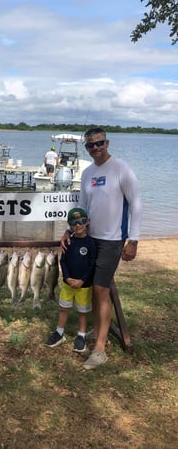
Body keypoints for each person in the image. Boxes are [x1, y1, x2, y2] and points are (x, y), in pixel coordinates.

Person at [61, 127, 142, 370]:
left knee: (100, 288)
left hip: (113, 239)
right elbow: (81, 208)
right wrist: (70, 230)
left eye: (99, 143)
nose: (95, 148)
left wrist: (134, 240)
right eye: (90, 145)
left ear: (107, 143)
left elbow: (136, 204)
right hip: (89, 238)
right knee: (93, 287)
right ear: (86, 147)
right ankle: (100, 326)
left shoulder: (122, 169)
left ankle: (99, 349)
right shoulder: (86, 173)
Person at [46, 208, 97, 353]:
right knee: (64, 308)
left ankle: (81, 336)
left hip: (84, 286)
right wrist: (67, 277)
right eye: (74, 223)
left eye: (81, 221)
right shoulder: (68, 241)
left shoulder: (91, 243)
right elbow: (63, 262)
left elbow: (92, 264)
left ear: (87, 222)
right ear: (70, 225)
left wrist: (82, 280)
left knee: (82, 312)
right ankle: (59, 332)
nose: (78, 225)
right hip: (67, 285)